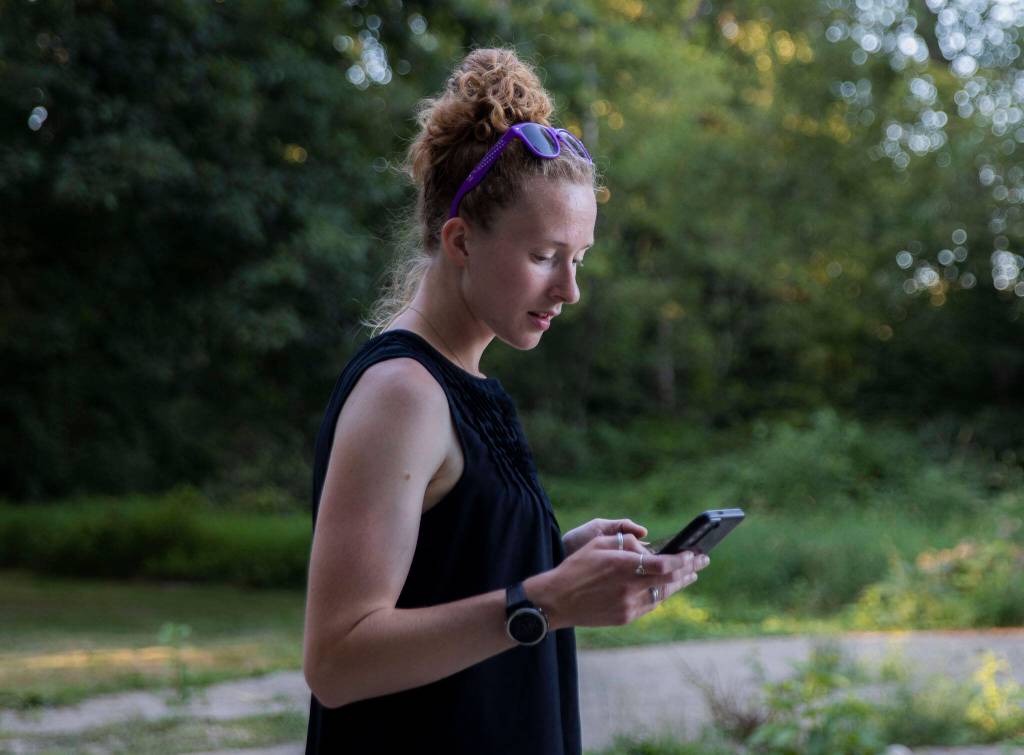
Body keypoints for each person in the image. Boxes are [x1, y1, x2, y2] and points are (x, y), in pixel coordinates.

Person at [302, 47, 710, 755]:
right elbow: (337, 660)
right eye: (545, 255)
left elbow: (442, 572)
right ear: (460, 240)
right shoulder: (404, 391)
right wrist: (547, 600)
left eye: (577, 259)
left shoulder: (470, 387)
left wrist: (550, 557)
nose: (569, 289)